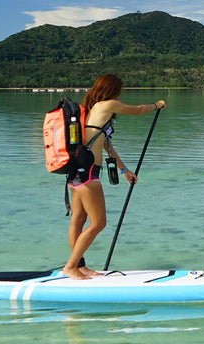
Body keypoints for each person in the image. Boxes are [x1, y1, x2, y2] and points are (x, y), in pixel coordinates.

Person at [64, 74, 165, 280]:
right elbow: (137, 111)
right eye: (120, 89)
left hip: (76, 169)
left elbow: (106, 145)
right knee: (98, 223)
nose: (121, 93)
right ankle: (71, 266)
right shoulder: (107, 104)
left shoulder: (93, 110)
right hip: (88, 172)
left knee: (79, 219)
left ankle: (80, 266)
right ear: (112, 89)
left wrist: (124, 170)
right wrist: (157, 105)